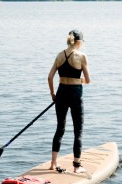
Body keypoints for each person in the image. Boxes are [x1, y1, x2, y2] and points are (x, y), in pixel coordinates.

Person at [47, 29, 90, 173]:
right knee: (78, 131)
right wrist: (79, 80)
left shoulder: (59, 55)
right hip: (75, 94)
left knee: (60, 128)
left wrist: (53, 94)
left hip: (61, 93)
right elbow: (88, 80)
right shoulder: (82, 56)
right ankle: (77, 167)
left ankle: (53, 164)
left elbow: (50, 77)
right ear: (79, 42)